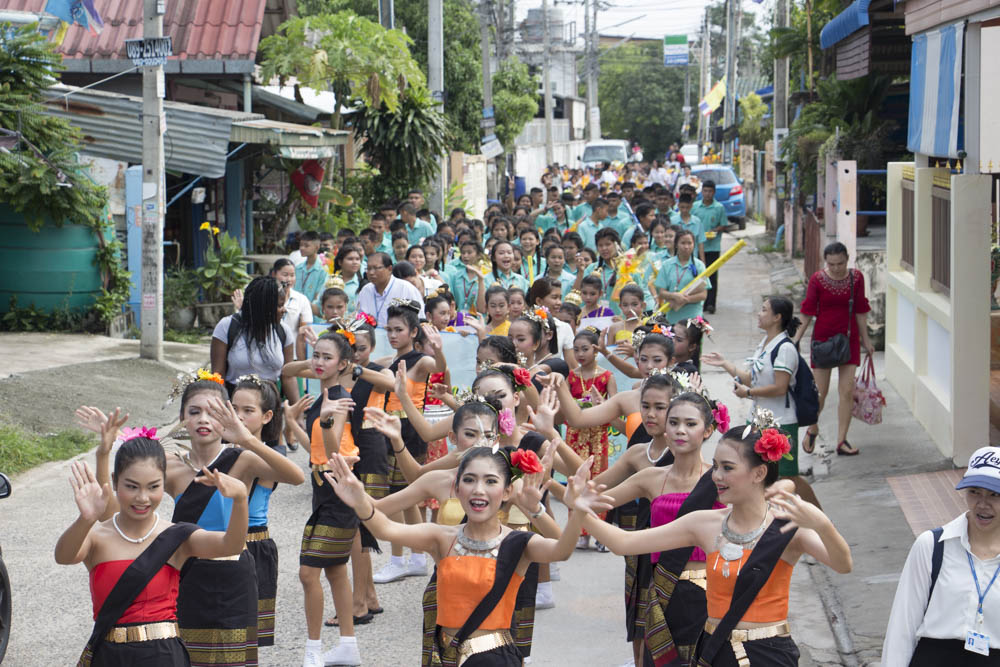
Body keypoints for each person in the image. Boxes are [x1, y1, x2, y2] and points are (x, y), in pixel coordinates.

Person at [581, 421, 852, 667]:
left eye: (727, 468)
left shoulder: (787, 527)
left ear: (759, 473)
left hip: (769, 655)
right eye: (716, 466)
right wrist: (581, 509)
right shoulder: (704, 524)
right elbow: (624, 543)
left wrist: (822, 524)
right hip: (715, 652)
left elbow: (843, 564)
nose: (716, 476)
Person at [323, 442, 610, 667]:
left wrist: (574, 513)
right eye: (470, 480)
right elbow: (385, 528)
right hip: (444, 656)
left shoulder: (518, 544)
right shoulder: (442, 538)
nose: (478, 490)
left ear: (507, 491)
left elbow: (561, 550)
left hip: (495, 660)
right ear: (457, 488)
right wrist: (360, 500)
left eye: (490, 481)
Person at [55, 434, 249, 667]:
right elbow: (64, 557)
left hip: (163, 656)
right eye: (131, 486)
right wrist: (85, 519)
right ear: (115, 482)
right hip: (109, 655)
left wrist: (240, 500)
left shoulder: (177, 536)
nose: (142, 498)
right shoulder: (97, 536)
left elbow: (231, 545)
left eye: (153, 487)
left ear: (164, 483)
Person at [598, 385, 727, 665]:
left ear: (707, 430)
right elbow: (595, 500)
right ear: (665, 430)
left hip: (710, 592)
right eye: (674, 423)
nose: (680, 430)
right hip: (662, 591)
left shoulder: (720, 481)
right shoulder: (651, 478)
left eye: (690, 424)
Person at [882, 446, 1000, 665]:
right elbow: (902, 627)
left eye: (995, 494)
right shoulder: (932, 546)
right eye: (974, 492)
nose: (982, 504)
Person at [704, 297, 806, 477]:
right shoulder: (765, 344)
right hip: (756, 420)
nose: (759, 314)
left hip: (780, 422)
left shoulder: (785, 348)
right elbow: (752, 380)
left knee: (785, 477)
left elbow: (780, 388)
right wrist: (725, 364)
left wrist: (748, 393)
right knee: (758, 475)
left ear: (777, 317)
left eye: (764, 310)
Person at [792, 242, 874, 456]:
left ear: (847, 259)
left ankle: (841, 440)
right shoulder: (817, 280)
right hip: (823, 342)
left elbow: (860, 310)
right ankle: (812, 428)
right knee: (820, 393)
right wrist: (795, 339)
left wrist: (866, 340)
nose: (836, 268)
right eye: (832, 264)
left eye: (840, 263)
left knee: (846, 391)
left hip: (849, 340)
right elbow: (808, 311)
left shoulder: (857, 278)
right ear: (825, 262)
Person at [564, 328, 616, 550]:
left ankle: (601, 533)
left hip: (597, 435)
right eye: (576, 350)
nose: (580, 354)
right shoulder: (571, 376)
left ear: (596, 350)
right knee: (576, 481)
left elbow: (615, 406)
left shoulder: (606, 376)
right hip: (576, 435)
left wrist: (601, 405)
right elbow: (565, 404)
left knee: (598, 481)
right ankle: (580, 531)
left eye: (585, 349)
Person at [211, 276, 298, 401]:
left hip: (270, 404)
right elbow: (217, 375)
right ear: (263, 307)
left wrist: (297, 408)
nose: (284, 310)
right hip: (235, 403)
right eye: (279, 306)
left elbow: (288, 376)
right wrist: (223, 406)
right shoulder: (227, 327)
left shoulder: (283, 331)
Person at [355, 253, 426, 327]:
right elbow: (358, 318)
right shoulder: (365, 290)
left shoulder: (406, 288)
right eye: (368, 269)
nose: (371, 273)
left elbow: (420, 320)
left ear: (389, 269)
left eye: (376, 268)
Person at [655, 229, 708, 325]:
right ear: (676, 245)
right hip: (673, 317)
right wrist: (674, 296)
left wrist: (686, 299)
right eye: (683, 243)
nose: (686, 247)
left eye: (689, 243)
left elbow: (703, 295)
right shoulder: (667, 265)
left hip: (693, 316)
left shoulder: (699, 265)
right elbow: (661, 292)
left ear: (694, 245)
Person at [693, 180, 731, 314]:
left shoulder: (719, 207)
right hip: (697, 248)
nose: (707, 194)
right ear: (702, 192)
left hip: (713, 247)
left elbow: (724, 224)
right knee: (698, 276)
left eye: (710, 191)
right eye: (705, 191)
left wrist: (715, 230)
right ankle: (700, 302)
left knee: (712, 276)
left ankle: (711, 303)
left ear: (714, 192)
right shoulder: (695, 207)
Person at [271, 258, 314, 361]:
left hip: (292, 354)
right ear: (274, 274)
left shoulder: (301, 299)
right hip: (270, 353)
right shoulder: (266, 297)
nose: (289, 279)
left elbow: (306, 328)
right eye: (285, 275)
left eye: (292, 275)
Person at [294, 231, 328, 313]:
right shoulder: (298, 268)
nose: (302, 248)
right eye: (300, 245)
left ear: (317, 247)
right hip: (296, 312)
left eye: (306, 246)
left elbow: (319, 297)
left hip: (314, 314)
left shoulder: (323, 270)